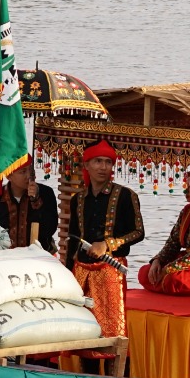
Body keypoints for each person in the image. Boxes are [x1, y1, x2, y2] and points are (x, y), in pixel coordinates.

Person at [63, 140, 144, 339]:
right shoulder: (78, 200)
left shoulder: (126, 196)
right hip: (81, 270)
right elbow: (72, 238)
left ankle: (113, 370)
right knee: (82, 330)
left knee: (111, 331)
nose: (103, 167)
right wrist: (66, 275)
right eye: (98, 161)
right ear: (87, 165)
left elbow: (138, 232)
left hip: (110, 271)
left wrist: (108, 244)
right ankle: (84, 371)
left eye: (108, 162)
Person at [138, 172, 190, 296]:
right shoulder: (187, 211)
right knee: (145, 272)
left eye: (189, 188)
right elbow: (173, 242)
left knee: (173, 279)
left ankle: (166, 284)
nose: (185, 192)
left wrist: (169, 268)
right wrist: (158, 261)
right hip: (183, 261)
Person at [0, 161, 57, 250]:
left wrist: (35, 200)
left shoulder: (46, 193)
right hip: (4, 258)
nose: (29, 176)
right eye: (23, 172)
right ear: (9, 176)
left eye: (31, 171)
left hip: (39, 256)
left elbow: (49, 229)